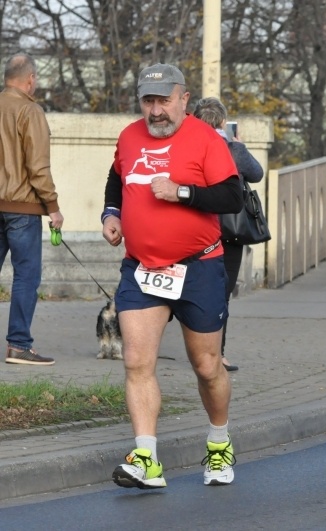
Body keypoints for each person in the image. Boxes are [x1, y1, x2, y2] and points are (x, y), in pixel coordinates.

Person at [101, 63, 243, 489]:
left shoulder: (206, 139)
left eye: (165, 100)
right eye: (149, 101)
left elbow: (232, 195)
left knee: (206, 365)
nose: (156, 110)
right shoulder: (129, 136)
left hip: (198, 265)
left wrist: (182, 192)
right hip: (142, 267)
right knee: (136, 362)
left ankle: (219, 443)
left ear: (184, 99)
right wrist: (112, 213)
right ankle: (147, 457)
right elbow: (116, 174)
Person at [0, 52, 64, 366]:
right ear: (30, 80)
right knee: (26, 277)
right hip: (23, 208)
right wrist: (53, 208)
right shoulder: (30, 110)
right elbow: (37, 167)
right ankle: (18, 345)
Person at [193, 97, 264, 372]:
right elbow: (255, 173)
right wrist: (237, 143)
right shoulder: (233, 149)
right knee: (222, 291)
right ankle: (216, 354)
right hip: (229, 230)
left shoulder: (190, 145)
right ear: (224, 122)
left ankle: (197, 348)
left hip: (197, 228)